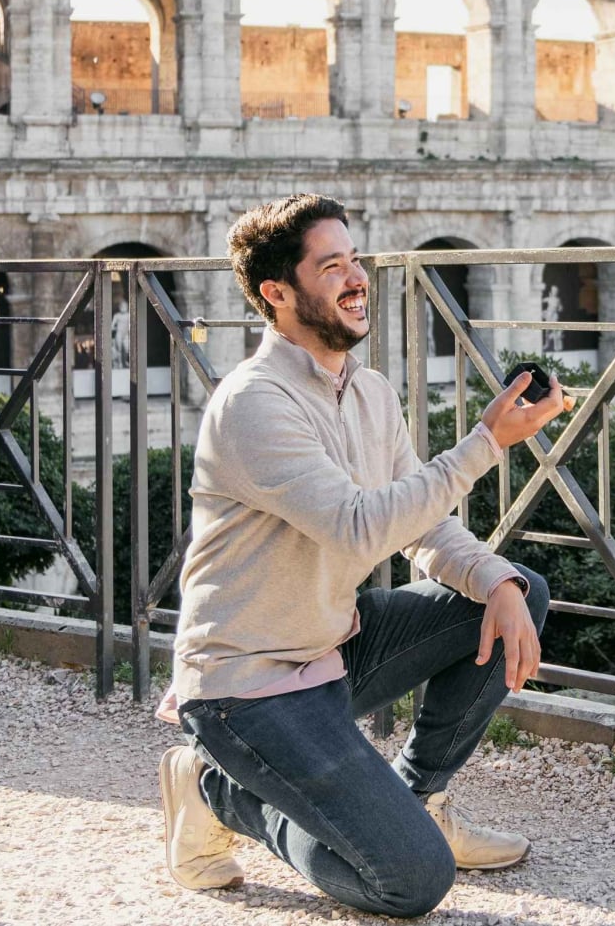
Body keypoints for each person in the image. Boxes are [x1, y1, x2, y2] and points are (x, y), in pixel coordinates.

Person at [156, 194, 565, 918]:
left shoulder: (369, 391)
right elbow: (356, 527)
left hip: (331, 649)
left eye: (356, 261)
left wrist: (493, 576)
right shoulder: (253, 402)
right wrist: (484, 444)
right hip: (245, 687)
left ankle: (417, 800)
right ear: (277, 294)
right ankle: (214, 788)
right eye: (331, 267)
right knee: (410, 882)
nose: (356, 279)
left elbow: (421, 523)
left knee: (515, 587)